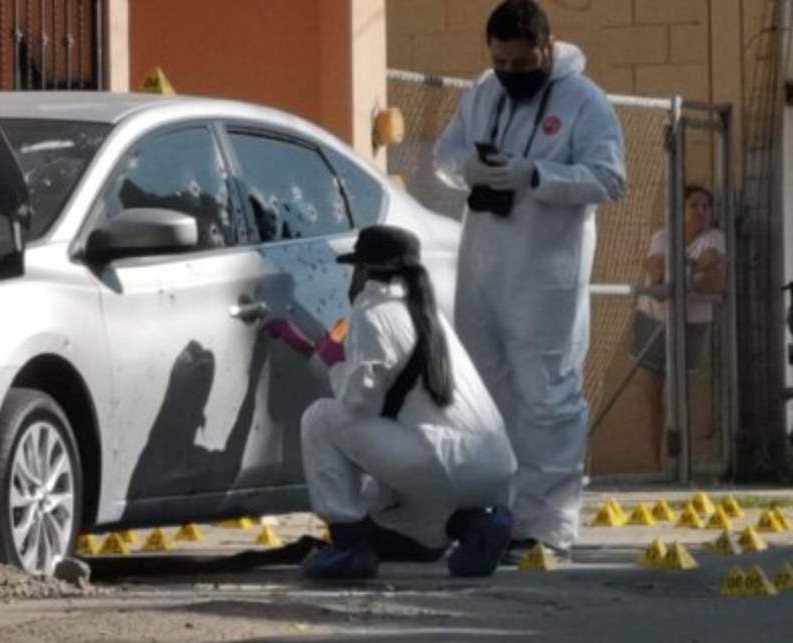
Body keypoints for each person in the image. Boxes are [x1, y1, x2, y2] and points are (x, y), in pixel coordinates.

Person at [433, 0, 626, 563]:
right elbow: (446, 156)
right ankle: (496, 514)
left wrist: (536, 175)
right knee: (485, 395)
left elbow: (609, 179)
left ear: (547, 47)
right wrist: (468, 168)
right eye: (501, 63)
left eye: (521, 64)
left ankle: (547, 527)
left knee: (547, 396)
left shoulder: (584, 101)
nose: (510, 74)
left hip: (546, 277)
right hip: (483, 267)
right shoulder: (483, 92)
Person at [267, 225, 517, 579]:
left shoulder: (372, 312)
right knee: (387, 516)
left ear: (365, 270)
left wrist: (334, 364)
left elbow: (359, 404)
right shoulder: (427, 315)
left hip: (444, 461)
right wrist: (317, 353)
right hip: (494, 469)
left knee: (320, 419)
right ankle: (473, 526)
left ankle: (348, 545)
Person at [632, 185, 726, 371]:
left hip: (692, 322)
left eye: (706, 207)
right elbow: (658, 275)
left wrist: (677, 275)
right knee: (648, 379)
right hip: (653, 316)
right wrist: (695, 267)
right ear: (680, 209)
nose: (701, 211)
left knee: (684, 379)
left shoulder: (714, 237)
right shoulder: (663, 237)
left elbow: (715, 283)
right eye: (694, 205)